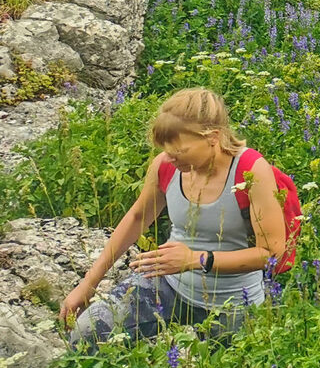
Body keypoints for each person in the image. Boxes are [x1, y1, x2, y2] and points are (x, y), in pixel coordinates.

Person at [60, 87, 287, 346]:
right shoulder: (165, 166)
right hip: (169, 284)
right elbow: (136, 218)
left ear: (212, 137)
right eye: (165, 149)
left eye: (178, 150)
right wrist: (88, 284)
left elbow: (272, 252)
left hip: (233, 301)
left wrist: (197, 259)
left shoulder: (251, 171)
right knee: (86, 334)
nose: (169, 157)